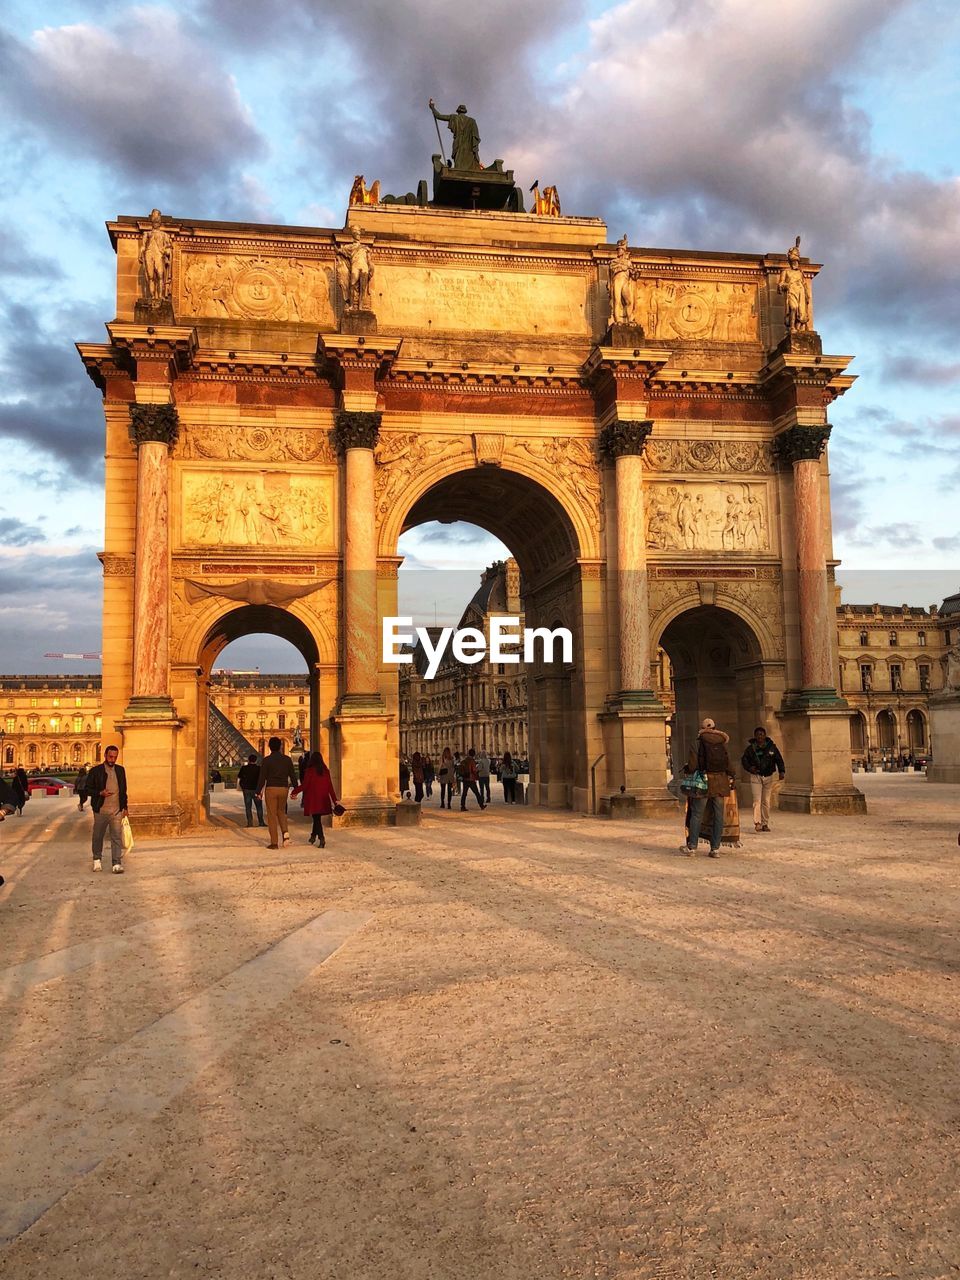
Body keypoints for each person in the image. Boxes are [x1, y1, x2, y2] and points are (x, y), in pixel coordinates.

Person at [680, 719, 734, 858]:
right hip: (721, 781)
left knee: (697, 814)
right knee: (718, 815)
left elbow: (692, 766)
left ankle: (692, 847)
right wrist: (731, 777)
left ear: (701, 729)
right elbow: (729, 764)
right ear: (716, 728)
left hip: (703, 782)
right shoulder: (722, 743)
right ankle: (715, 848)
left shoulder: (696, 743)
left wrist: (687, 768)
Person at [86, 745, 129, 874]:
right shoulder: (96, 771)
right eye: (110, 756)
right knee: (98, 836)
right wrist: (100, 793)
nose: (112, 759)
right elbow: (87, 789)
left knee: (116, 836)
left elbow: (123, 791)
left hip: (116, 810)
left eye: (115, 757)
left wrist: (125, 807)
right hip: (101, 810)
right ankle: (97, 859)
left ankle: (116, 863)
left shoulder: (121, 770)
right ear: (105, 755)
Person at [256, 736, 298, 849]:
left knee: (271, 816)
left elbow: (262, 777)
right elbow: (293, 776)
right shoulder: (287, 759)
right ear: (280, 746)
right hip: (283, 789)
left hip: (271, 789)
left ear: (269, 747)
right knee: (281, 812)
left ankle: (274, 842)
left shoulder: (266, 760)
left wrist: (258, 791)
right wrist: (296, 789)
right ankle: (285, 835)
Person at [741, 727, 785, 833]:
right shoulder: (750, 749)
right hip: (756, 776)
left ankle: (765, 823)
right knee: (757, 800)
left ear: (765, 736)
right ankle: (758, 823)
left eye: (762, 734)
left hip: (768, 776)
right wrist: (749, 768)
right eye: (758, 734)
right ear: (755, 736)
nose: (760, 737)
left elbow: (779, 759)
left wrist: (782, 771)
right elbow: (744, 760)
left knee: (766, 801)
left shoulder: (772, 748)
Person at [292, 751, 338, 847]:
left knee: (316, 819)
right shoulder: (326, 771)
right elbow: (330, 787)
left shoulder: (310, 771)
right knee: (317, 818)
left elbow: (305, 785)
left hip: (313, 799)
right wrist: (334, 800)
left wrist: (294, 791)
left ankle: (321, 838)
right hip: (323, 799)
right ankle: (313, 836)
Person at [429, 99, 482, 171]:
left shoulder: (454, 117)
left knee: (458, 161)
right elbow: (475, 136)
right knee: (468, 163)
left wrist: (432, 108)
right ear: (465, 111)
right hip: (469, 145)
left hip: (458, 143)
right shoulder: (472, 121)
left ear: (458, 111)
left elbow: (438, 116)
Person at [237, 752, 265, 828]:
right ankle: (261, 822)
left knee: (248, 807)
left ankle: (250, 823)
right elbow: (262, 780)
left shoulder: (244, 768)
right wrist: (261, 789)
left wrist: (242, 786)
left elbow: (239, 777)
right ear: (255, 760)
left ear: (249, 760)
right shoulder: (259, 768)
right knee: (259, 806)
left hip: (246, 789)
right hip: (256, 790)